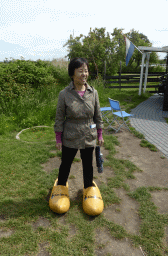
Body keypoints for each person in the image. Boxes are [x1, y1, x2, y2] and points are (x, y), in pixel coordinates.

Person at [49, 57, 104, 216]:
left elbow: (98, 116)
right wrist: (58, 138)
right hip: (70, 135)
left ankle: (88, 187)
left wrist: (100, 133)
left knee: (88, 164)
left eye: (86, 71)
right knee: (66, 163)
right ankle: (60, 185)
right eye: (80, 71)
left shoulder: (93, 93)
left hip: (89, 134)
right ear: (72, 73)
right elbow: (59, 118)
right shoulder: (64, 94)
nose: (84, 74)